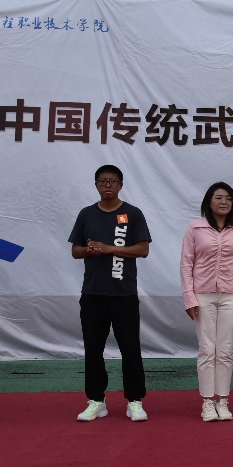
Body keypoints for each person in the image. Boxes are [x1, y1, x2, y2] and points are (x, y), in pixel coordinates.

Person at [69, 165, 152, 423]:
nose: (108, 185)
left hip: (124, 294)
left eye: (113, 181)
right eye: (103, 181)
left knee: (130, 348)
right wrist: (91, 250)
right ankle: (96, 400)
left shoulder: (133, 213)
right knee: (93, 349)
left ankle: (134, 400)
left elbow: (143, 250)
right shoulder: (86, 214)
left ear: (120, 185)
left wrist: (109, 248)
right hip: (93, 293)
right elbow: (75, 251)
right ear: (96, 184)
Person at [182, 181, 233, 422]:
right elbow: (186, 264)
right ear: (209, 202)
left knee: (225, 350)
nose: (224, 202)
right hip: (203, 295)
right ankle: (207, 402)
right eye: (219, 197)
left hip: (231, 295)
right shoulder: (195, 227)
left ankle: (223, 399)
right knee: (206, 349)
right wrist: (189, 297)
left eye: (228, 198)